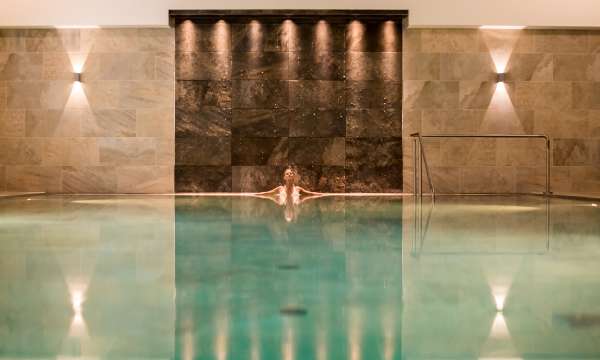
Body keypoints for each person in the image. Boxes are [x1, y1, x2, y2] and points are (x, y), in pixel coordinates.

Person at [254, 167, 324, 221]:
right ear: (284, 177)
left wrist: (325, 195)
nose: (289, 174)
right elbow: (266, 194)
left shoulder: (298, 190)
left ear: (294, 176)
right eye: (287, 174)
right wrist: (253, 195)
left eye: (291, 173)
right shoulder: (280, 190)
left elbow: (311, 194)